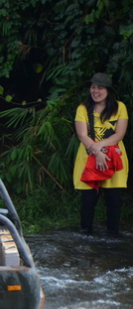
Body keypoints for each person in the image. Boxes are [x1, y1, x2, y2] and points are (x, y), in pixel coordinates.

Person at [73, 73, 128, 237]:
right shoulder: (83, 109)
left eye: (100, 87)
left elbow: (119, 135)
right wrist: (97, 153)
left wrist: (99, 148)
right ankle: (86, 234)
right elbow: (82, 135)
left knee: (113, 200)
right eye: (93, 87)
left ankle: (112, 235)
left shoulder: (119, 107)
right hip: (87, 159)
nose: (95, 91)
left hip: (114, 159)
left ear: (108, 90)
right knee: (88, 200)